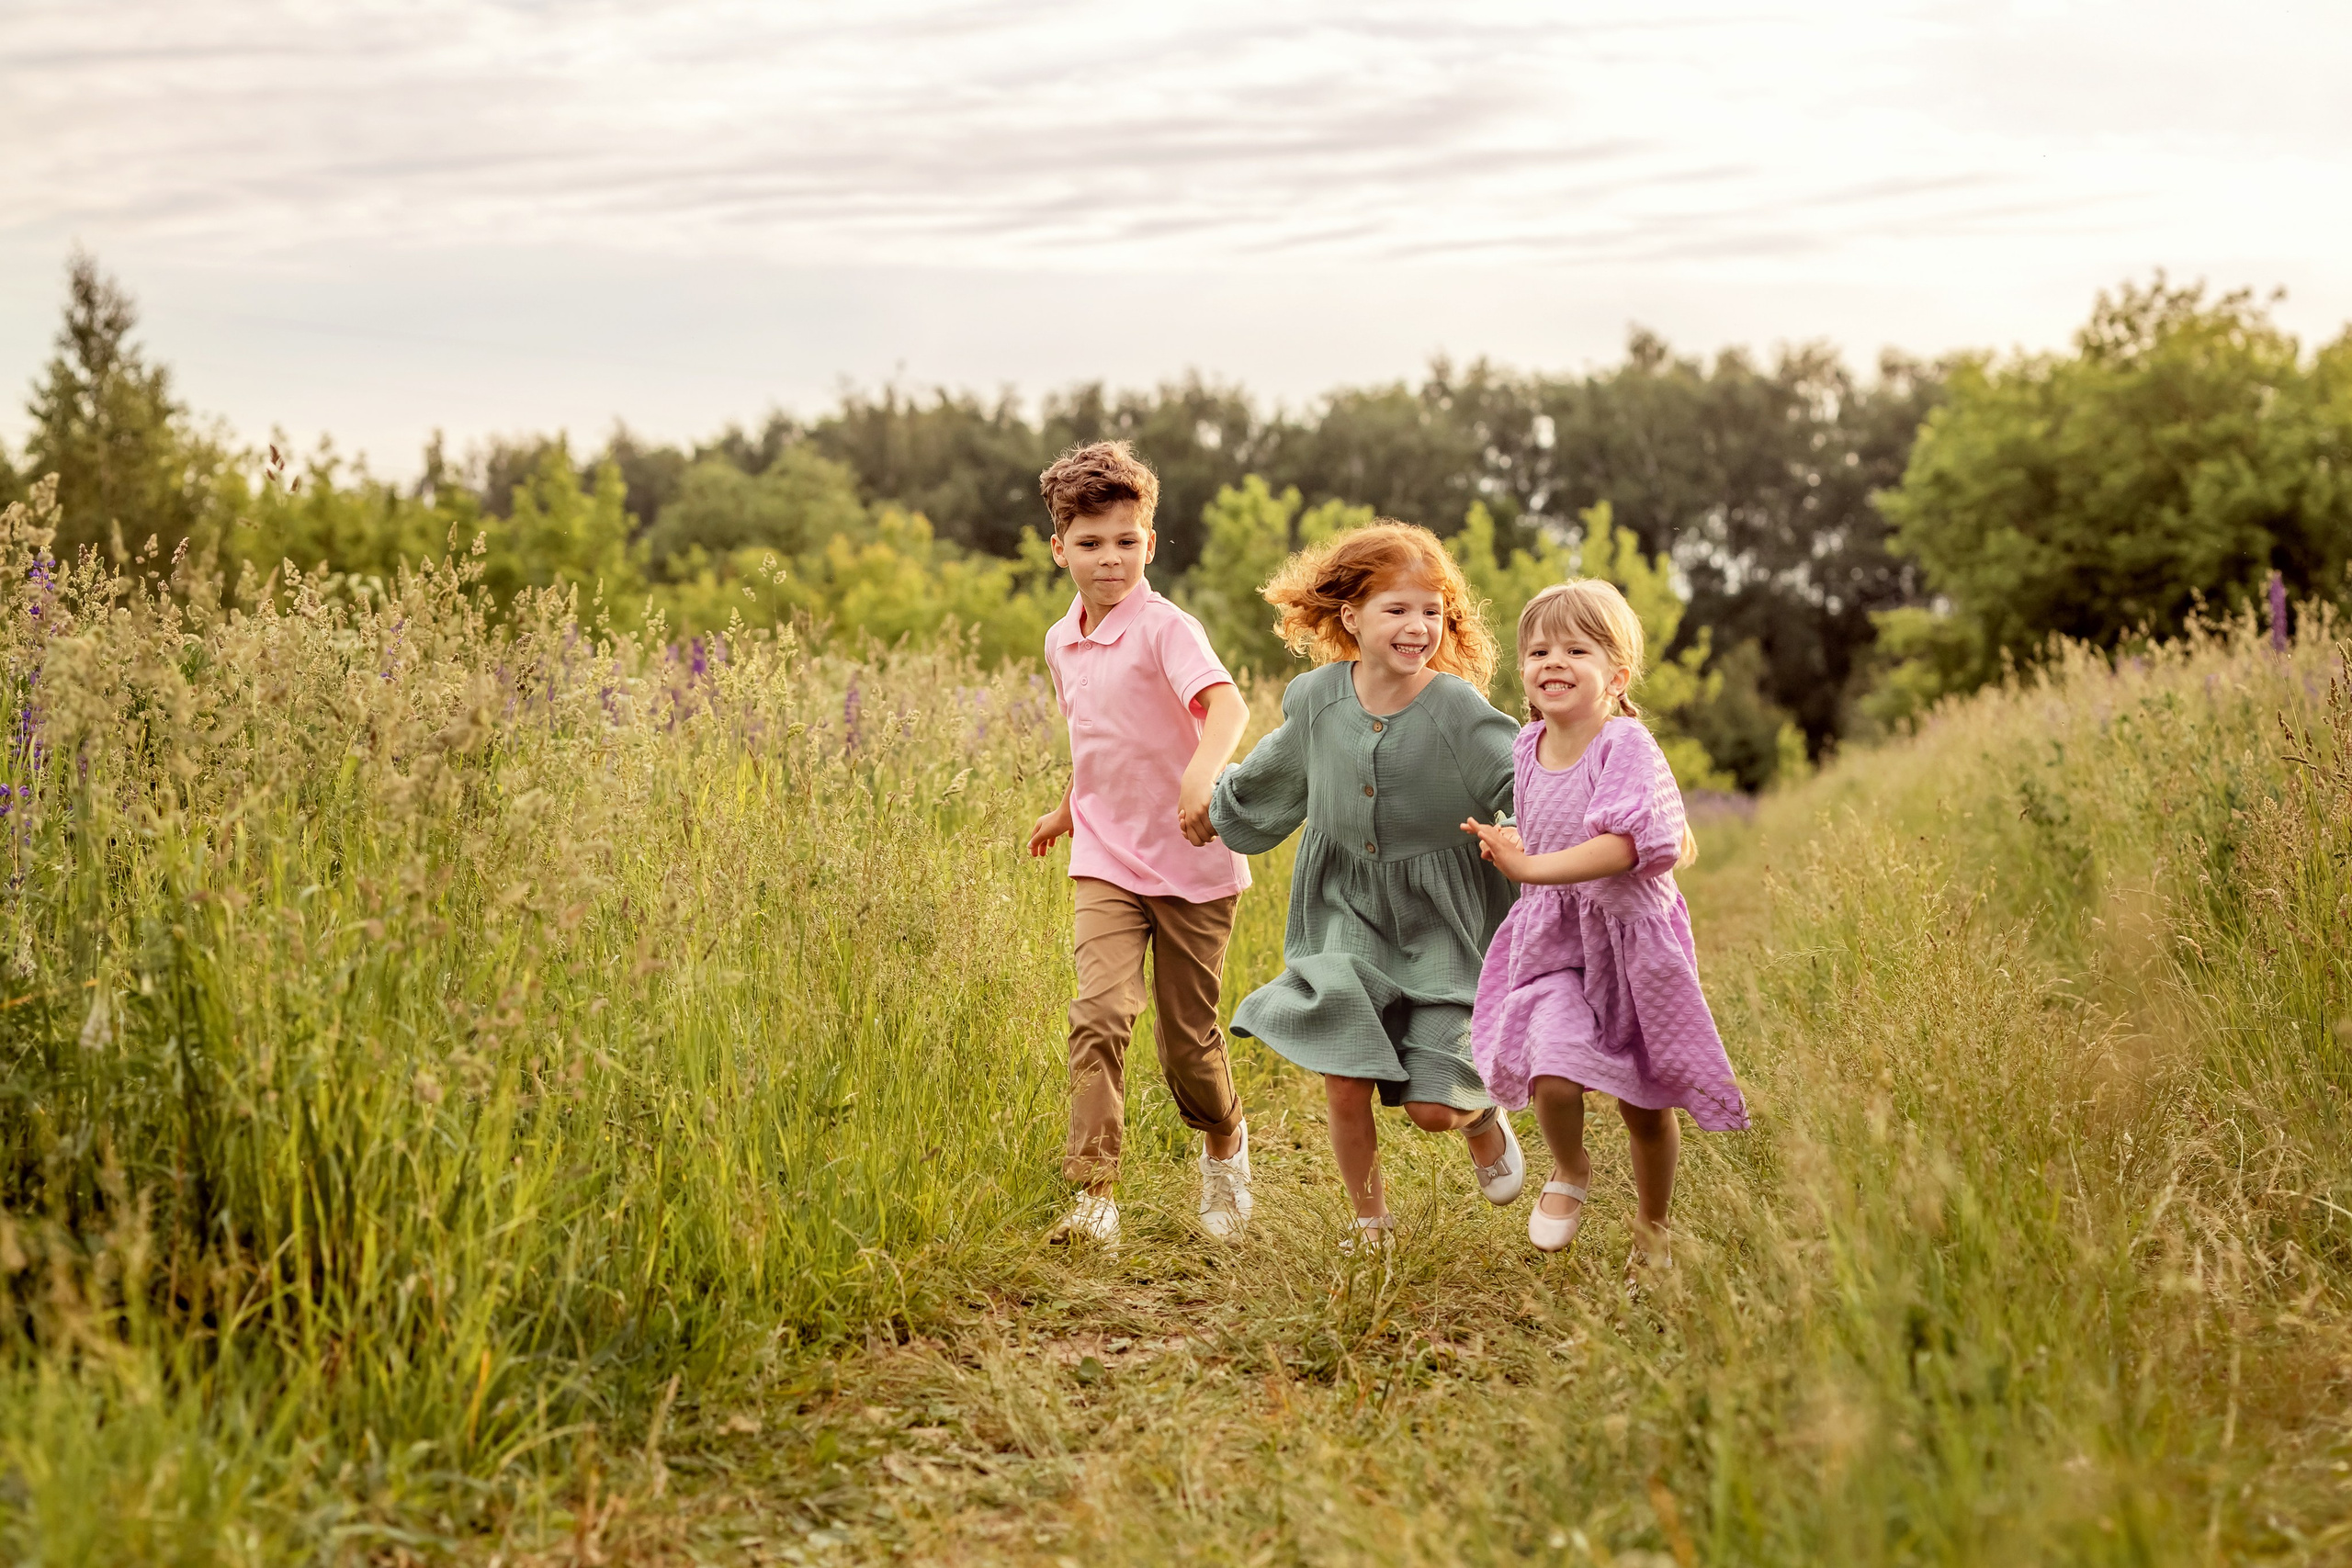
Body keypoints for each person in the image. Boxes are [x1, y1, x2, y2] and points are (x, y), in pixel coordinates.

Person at [1205, 522, 1525, 1252]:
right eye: (1397, 609)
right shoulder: (1317, 699)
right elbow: (1273, 775)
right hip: (1344, 911)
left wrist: (1557, 832)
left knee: (1430, 1109)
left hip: (1445, 921)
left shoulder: (1456, 709)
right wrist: (1215, 806)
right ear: (1351, 616)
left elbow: (1525, 778)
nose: (1418, 626)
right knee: (1344, 1073)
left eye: (1431, 611)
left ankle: (1478, 1118)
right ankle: (1369, 1223)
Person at [1460, 580, 1748, 1277]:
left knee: (1643, 1102)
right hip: (1557, 940)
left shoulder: (1626, 743)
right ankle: (1570, 1168)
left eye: (1575, 648)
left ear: (1616, 676)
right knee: (1554, 1070)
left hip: (1630, 942)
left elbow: (1624, 846)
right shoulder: (1527, 746)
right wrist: (1509, 841)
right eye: (1538, 649)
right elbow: (1542, 831)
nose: (1552, 660)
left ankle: (1654, 1230)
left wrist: (1529, 864)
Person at [1027, 441, 1255, 1247]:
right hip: (1105, 858)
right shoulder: (1062, 640)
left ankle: (1224, 1143)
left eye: (1126, 540)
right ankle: (1094, 1197)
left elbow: (1228, 710)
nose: (1109, 558)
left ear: (1149, 543)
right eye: (1090, 543)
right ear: (1060, 550)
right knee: (1098, 1016)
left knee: (1187, 1046)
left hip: (1194, 863)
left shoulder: (1167, 628)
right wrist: (1066, 808)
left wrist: (1201, 777)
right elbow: (1098, 740)